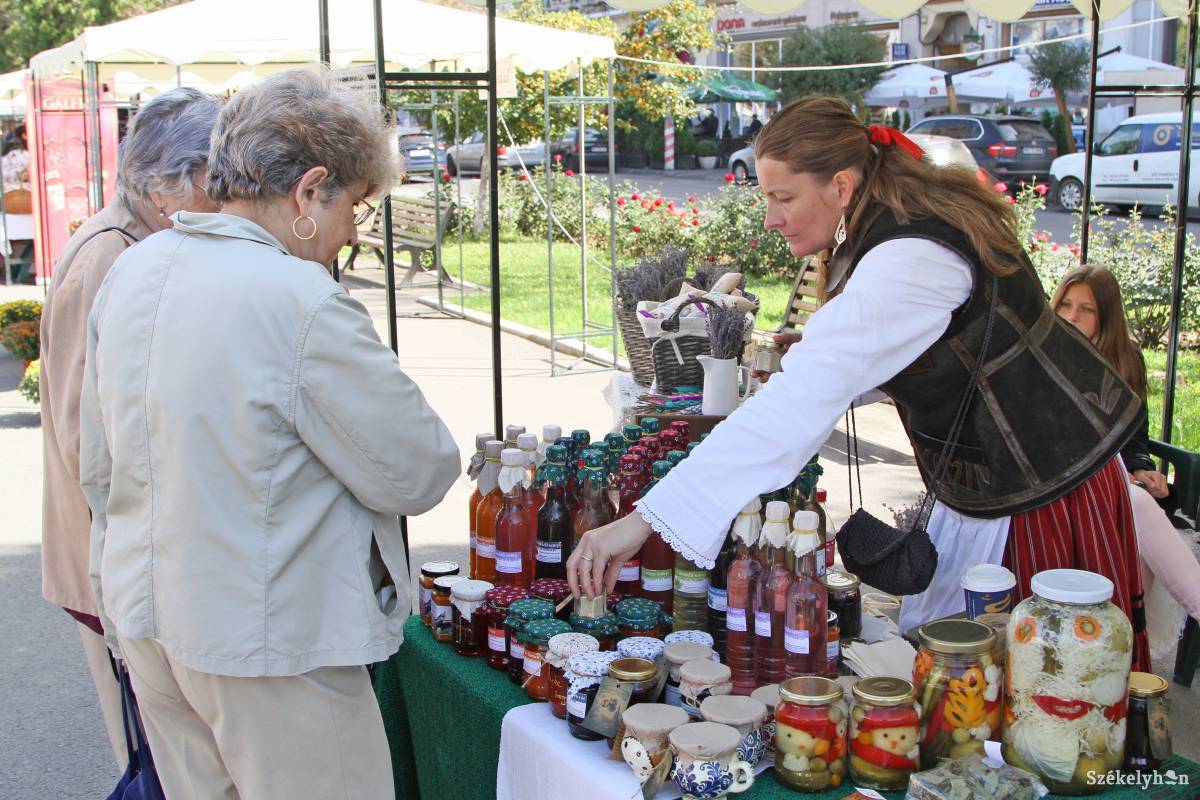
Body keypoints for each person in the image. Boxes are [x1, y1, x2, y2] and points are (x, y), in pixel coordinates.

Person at [567, 96, 1152, 671]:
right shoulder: (896, 222)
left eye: (784, 197)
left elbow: (793, 409)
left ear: (842, 187)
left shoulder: (910, 256)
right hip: (999, 479)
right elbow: (949, 348)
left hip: (1041, 491)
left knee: (1035, 691)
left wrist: (641, 521)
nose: (771, 217)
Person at [79, 69, 460, 798]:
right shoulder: (297, 297)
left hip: (152, 623)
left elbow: (97, 463)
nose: (353, 230)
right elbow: (420, 469)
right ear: (310, 190)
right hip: (272, 650)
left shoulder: (137, 269)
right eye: (355, 203)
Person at [40, 87, 222, 773]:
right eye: (213, 181)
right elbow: (85, 432)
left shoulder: (129, 240)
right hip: (112, 559)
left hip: (116, 555)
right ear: (162, 183)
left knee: (162, 753)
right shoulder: (115, 256)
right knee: (155, 759)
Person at [1052, 265, 1200, 636]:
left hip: (1115, 484)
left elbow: (1135, 437)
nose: (1072, 316)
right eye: (1066, 304)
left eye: (1087, 309)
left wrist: (1142, 469)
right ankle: (1129, 650)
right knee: (1137, 508)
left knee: (1139, 524)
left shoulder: (1124, 359)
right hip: (1059, 485)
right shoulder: (1044, 357)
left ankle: (1122, 650)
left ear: (1107, 317)